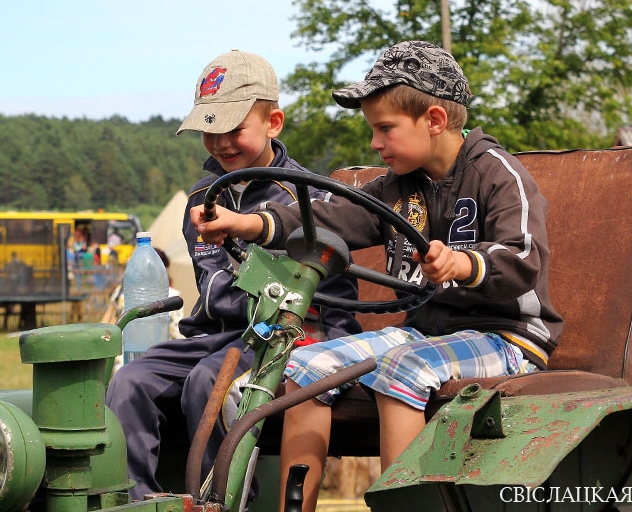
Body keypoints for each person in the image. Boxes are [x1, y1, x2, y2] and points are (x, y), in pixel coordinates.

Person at [191, 40, 563, 512]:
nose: (374, 143)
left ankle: (401, 506)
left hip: (507, 338)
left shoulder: (498, 175)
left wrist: (464, 264)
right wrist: (244, 223)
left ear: (434, 120)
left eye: (385, 129)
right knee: (305, 369)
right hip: (427, 333)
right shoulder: (396, 188)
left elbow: (523, 257)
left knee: (402, 369)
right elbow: (329, 218)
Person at [105, 48, 361, 501]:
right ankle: (138, 501)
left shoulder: (304, 197)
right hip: (214, 335)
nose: (220, 142)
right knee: (130, 381)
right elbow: (209, 284)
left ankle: (219, 502)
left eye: (233, 129)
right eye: (209, 130)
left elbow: (337, 288)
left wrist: (335, 351)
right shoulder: (201, 196)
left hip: (280, 340)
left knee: (210, 382)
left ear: (273, 123)